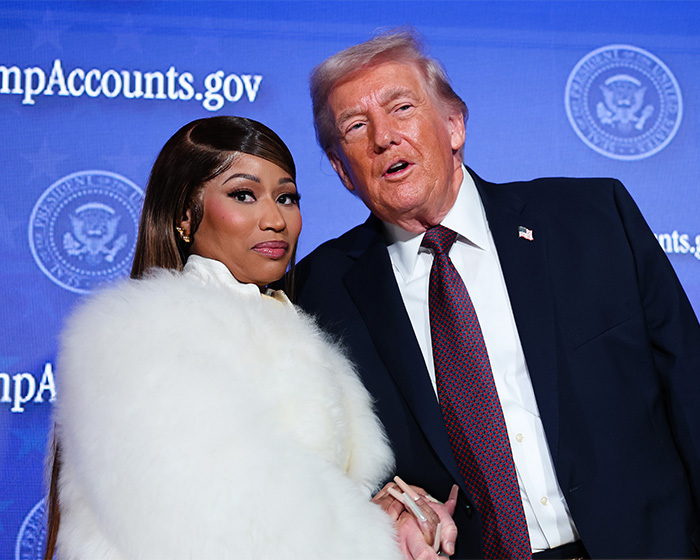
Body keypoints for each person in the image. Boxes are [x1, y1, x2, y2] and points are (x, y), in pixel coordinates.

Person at [293, 29, 700, 559]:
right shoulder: (320, 291)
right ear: (341, 170)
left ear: (454, 125)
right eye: (355, 126)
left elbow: (690, 391)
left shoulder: (593, 218)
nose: (383, 137)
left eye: (402, 108)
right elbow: (324, 467)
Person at [43, 115, 455, 560]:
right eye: (243, 195)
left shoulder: (299, 334)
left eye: (286, 198)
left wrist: (396, 513)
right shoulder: (138, 335)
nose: (275, 220)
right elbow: (233, 530)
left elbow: (319, 506)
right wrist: (378, 539)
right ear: (185, 215)